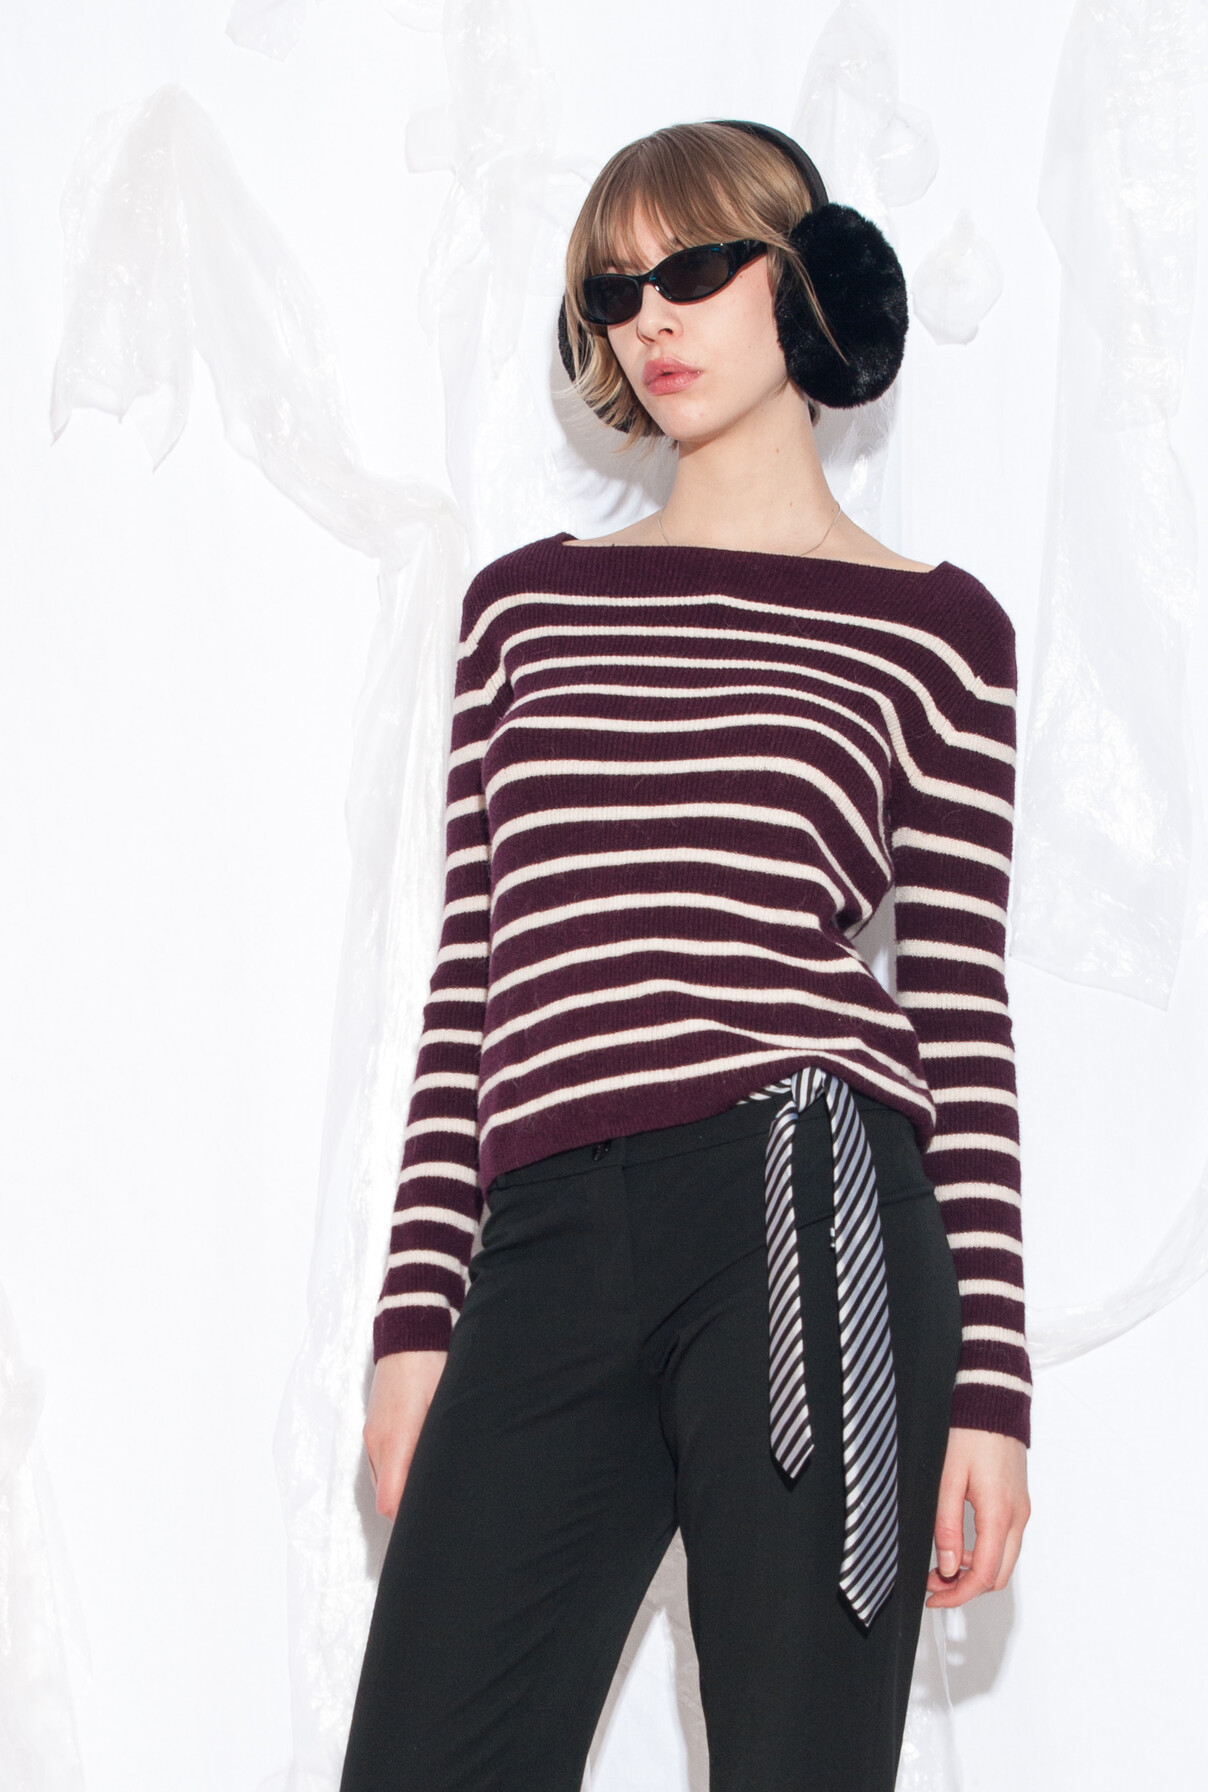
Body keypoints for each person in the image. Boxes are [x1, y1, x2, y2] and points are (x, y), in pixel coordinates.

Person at [341, 118, 1031, 1792]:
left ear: (810, 280)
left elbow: (960, 1014)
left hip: (808, 1216)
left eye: (695, 268)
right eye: (613, 287)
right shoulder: (525, 611)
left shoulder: (939, 632)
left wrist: (994, 1391)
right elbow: (475, 975)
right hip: (547, 1240)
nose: (649, 316)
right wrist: (417, 1316)